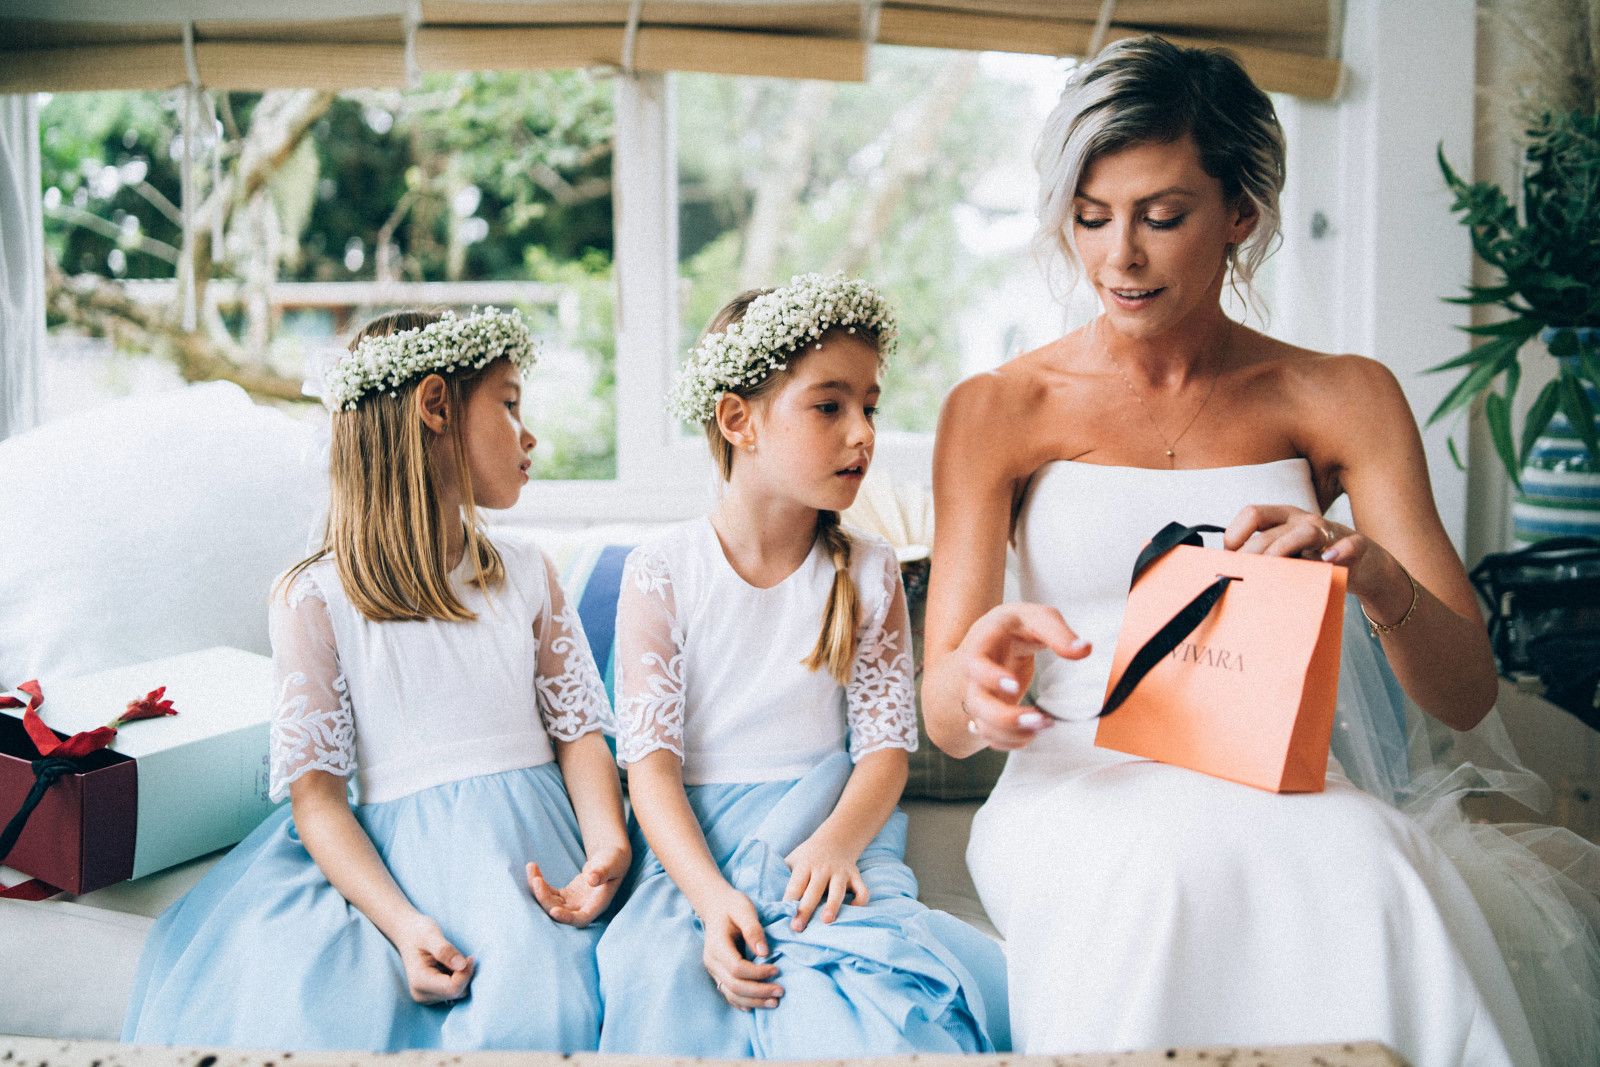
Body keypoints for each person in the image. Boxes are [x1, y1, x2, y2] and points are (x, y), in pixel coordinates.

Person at [922, 36, 1600, 1067]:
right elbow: (942, 709)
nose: (1120, 258)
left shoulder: (1340, 395)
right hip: (1077, 789)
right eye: (1091, 217)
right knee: (1157, 873)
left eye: (1161, 216)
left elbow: (1464, 694)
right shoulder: (996, 408)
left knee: (1371, 858)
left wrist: (1366, 567)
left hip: (1279, 783)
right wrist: (978, 679)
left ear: (1240, 212)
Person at [123, 308, 629, 1051]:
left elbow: (580, 734)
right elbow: (318, 801)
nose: (530, 435)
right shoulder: (314, 599)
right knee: (311, 1003)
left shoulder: (525, 573)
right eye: (511, 402)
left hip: (536, 846)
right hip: (397, 865)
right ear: (434, 406)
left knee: (547, 999)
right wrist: (403, 924)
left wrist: (606, 847)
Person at [594, 273, 1008, 1056]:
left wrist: (838, 843)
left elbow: (884, 750)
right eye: (830, 405)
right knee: (659, 987)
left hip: (829, 826)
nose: (863, 433)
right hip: (697, 849)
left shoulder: (870, 569)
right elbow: (648, 773)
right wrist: (713, 899)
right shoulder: (663, 569)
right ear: (738, 419)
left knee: (874, 1006)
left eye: (870, 406)